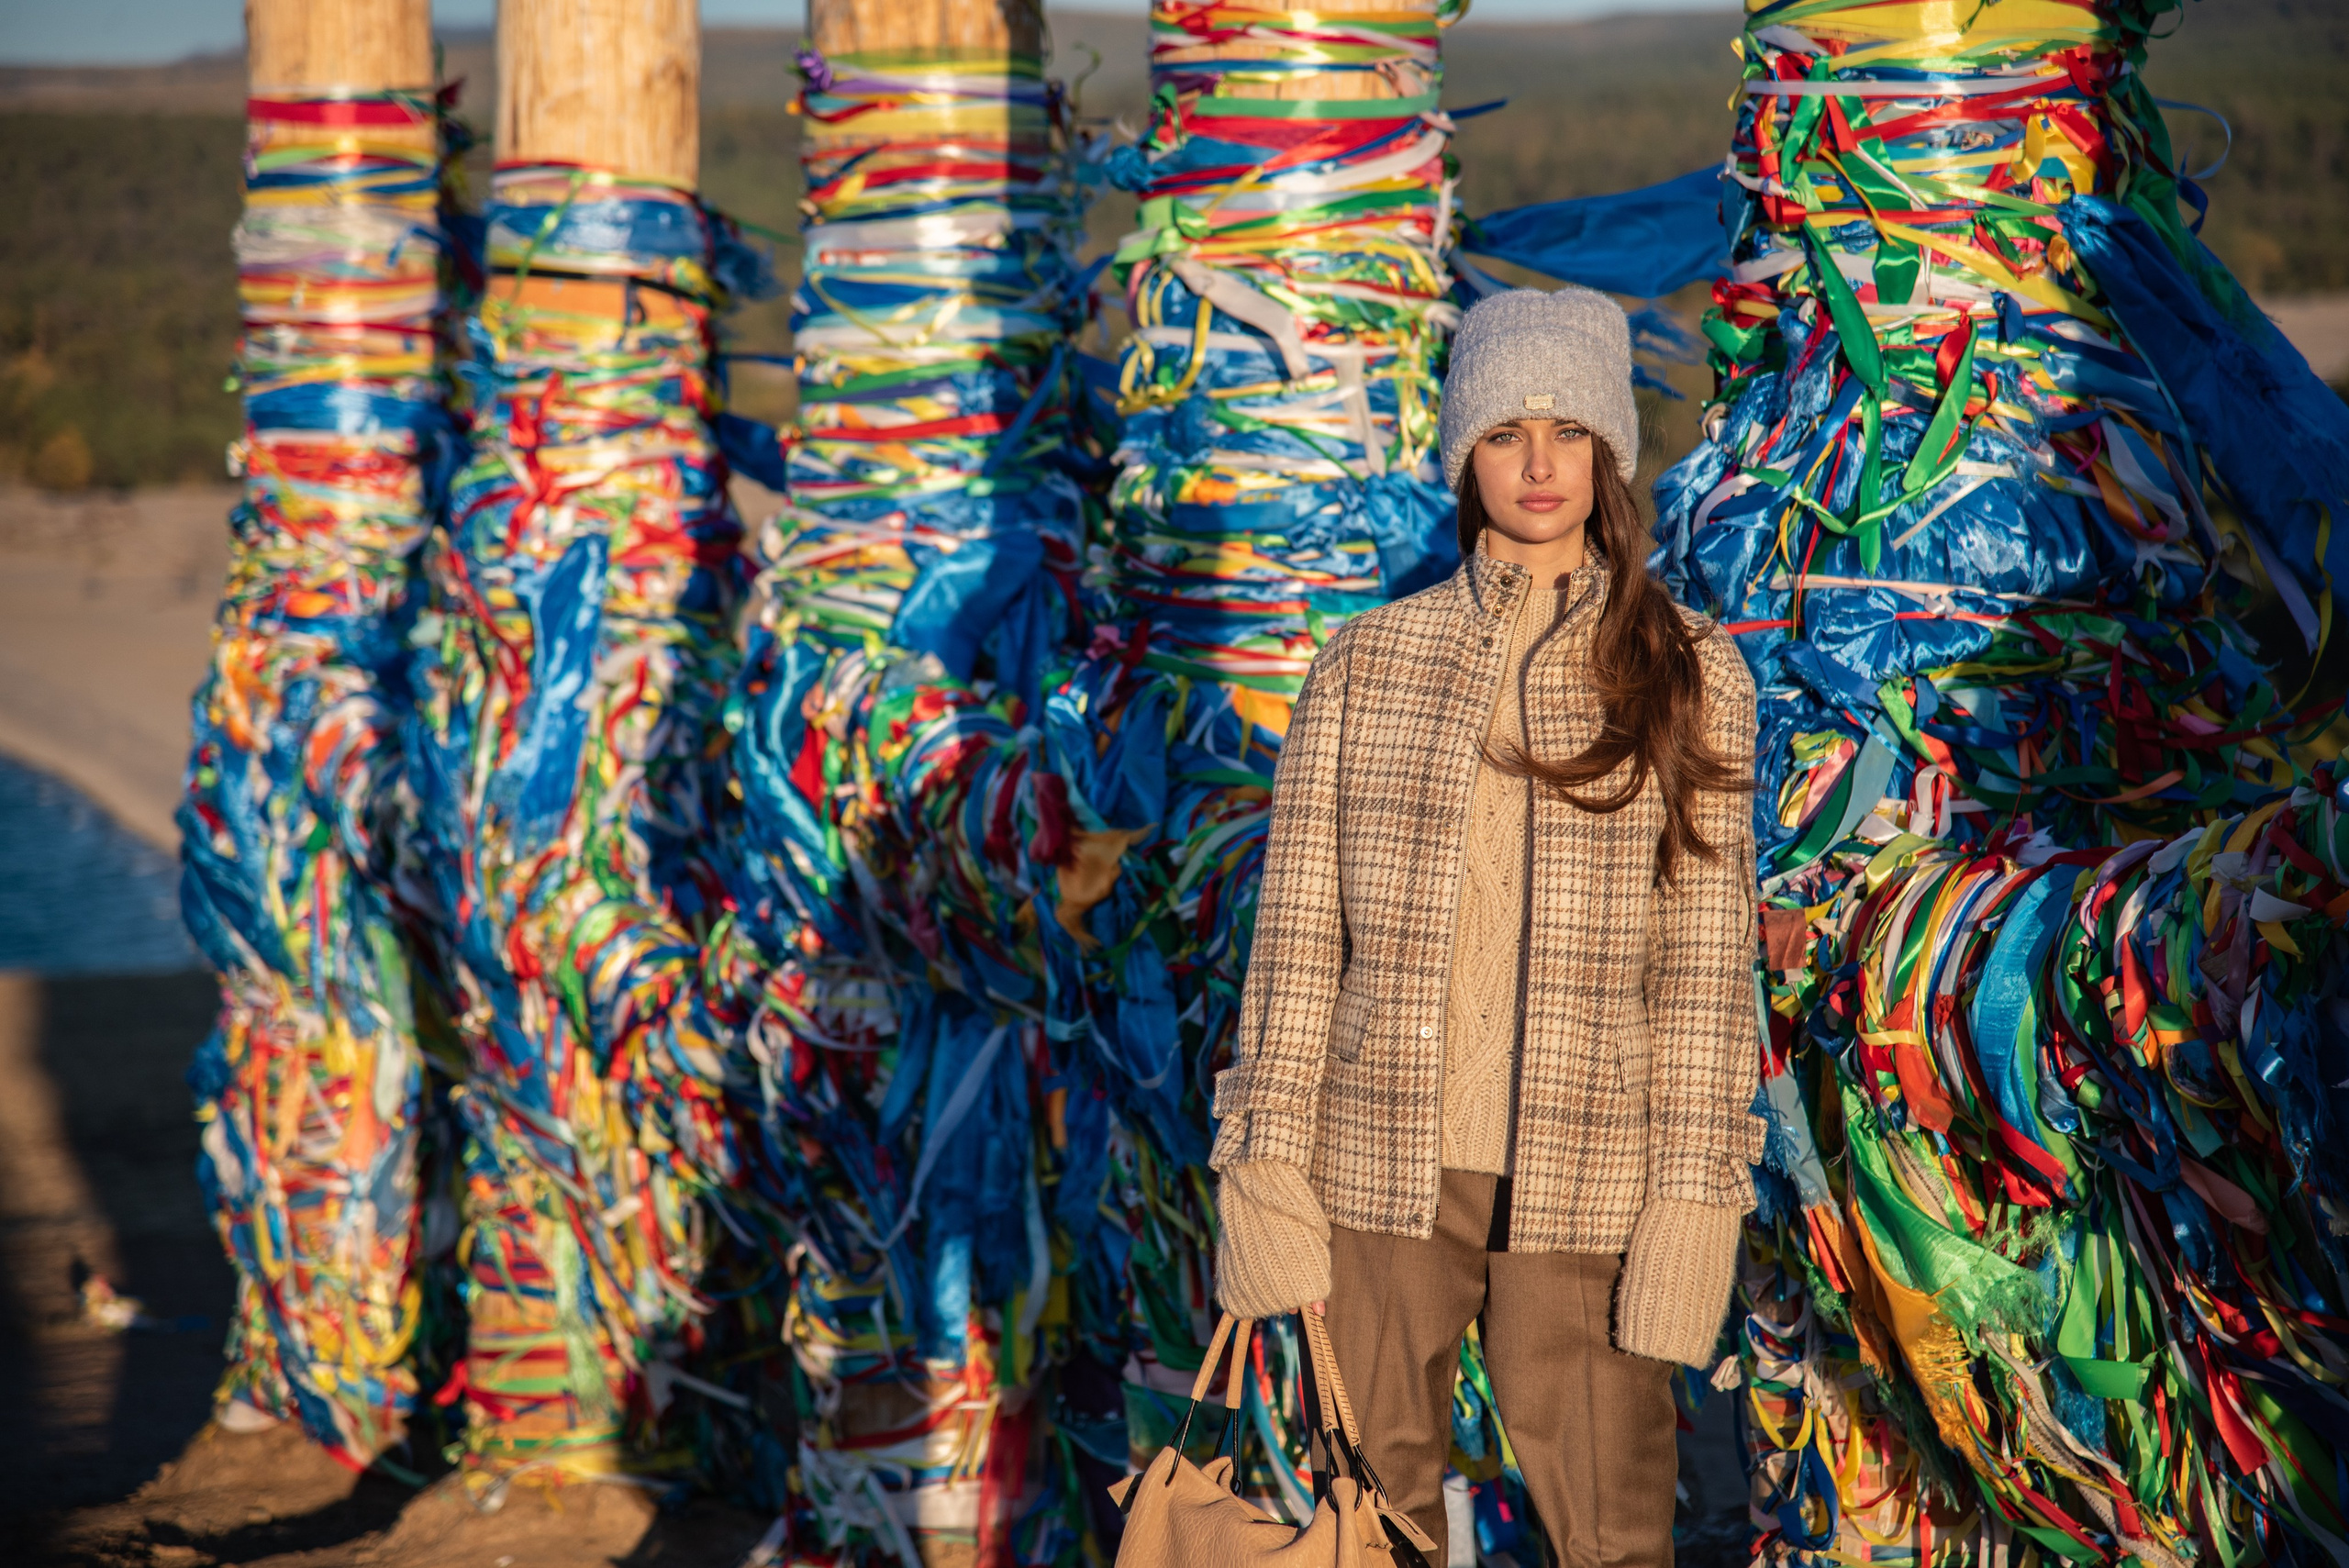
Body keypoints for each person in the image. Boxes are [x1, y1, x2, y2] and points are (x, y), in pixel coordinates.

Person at [1208, 287, 1765, 1563]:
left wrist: (1692, 1194)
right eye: (1506, 430)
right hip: (1381, 1157)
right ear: (1465, 450)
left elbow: (1701, 969)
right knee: (1373, 1515)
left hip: (1590, 1165)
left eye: (1567, 432)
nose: (1536, 463)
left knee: (1615, 1528)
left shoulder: (1690, 669)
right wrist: (1267, 1161)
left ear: (1609, 456)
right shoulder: (1365, 662)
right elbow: (1297, 941)